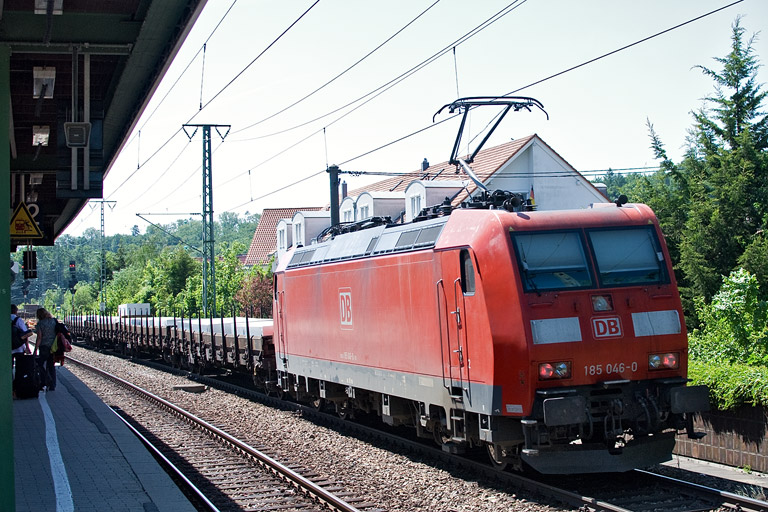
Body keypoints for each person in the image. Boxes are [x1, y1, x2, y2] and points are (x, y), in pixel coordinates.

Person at [34, 307, 58, 391]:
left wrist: (35, 349)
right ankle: (53, 385)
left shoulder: (40, 323)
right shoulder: (54, 321)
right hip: (53, 347)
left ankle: (45, 381)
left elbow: (39, 337)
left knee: (40, 364)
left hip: (44, 346)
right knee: (51, 366)